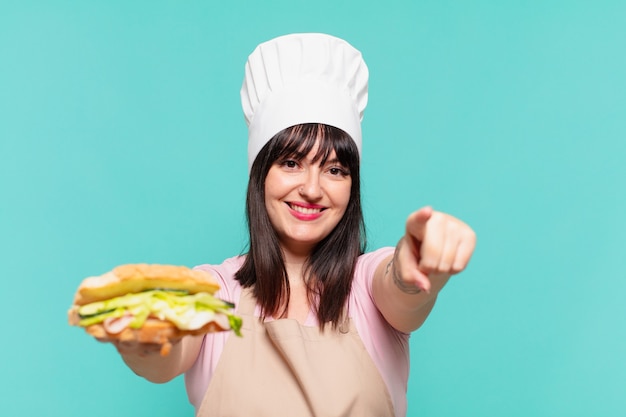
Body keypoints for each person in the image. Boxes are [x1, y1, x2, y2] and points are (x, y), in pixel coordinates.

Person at [113, 33, 476, 417]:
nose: (312, 188)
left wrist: (416, 265)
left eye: (335, 169)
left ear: (351, 187)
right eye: (291, 163)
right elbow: (163, 357)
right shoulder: (215, 291)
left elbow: (402, 290)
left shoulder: (368, 287)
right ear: (260, 175)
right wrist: (148, 336)